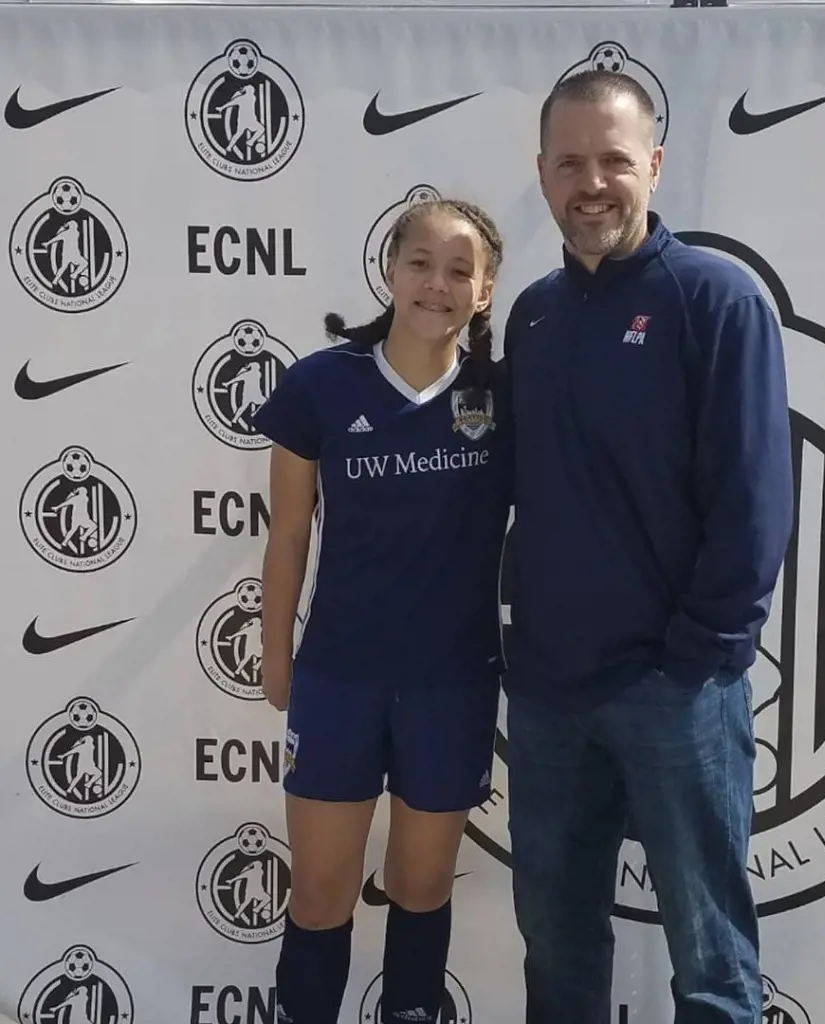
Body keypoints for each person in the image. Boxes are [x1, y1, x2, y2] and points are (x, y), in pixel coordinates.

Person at [501, 69, 794, 1023]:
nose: (593, 183)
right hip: (547, 694)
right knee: (556, 945)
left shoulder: (716, 300)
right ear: (541, 174)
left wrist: (694, 662)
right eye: (571, 162)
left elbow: (754, 505)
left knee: (710, 960)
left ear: (655, 167)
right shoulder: (533, 315)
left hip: (678, 691)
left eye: (615, 161)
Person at [251, 197, 511, 1024]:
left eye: (459, 270)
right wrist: (277, 652)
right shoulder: (322, 384)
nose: (437, 283)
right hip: (339, 680)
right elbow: (288, 535)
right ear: (390, 271)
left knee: (420, 887)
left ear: (486, 292)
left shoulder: (503, 397)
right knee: (322, 893)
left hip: (453, 685)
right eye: (420, 263)